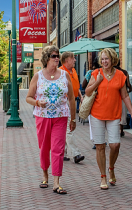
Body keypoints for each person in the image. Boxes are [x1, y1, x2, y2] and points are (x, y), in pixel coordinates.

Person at [85, 48, 132, 190]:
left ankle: (111, 168)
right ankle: (103, 177)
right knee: (100, 146)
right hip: (97, 114)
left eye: (106, 59)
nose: (104, 61)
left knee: (115, 145)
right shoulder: (96, 73)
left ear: (113, 59)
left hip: (114, 115)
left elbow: (125, 96)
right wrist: (97, 82)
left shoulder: (120, 75)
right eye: (102, 59)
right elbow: (87, 91)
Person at [26, 45, 76, 194]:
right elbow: (28, 97)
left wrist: (73, 119)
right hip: (43, 117)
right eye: (54, 56)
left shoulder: (65, 75)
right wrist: (37, 102)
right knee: (44, 148)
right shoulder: (38, 76)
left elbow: (72, 98)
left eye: (57, 55)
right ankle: (45, 175)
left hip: (61, 116)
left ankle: (56, 182)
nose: (57, 58)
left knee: (58, 149)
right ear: (47, 58)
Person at [59, 52, 85, 164]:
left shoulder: (73, 71)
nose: (75, 60)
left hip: (73, 101)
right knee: (69, 128)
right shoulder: (60, 72)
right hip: (64, 102)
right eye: (72, 58)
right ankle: (76, 154)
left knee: (66, 128)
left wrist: (80, 95)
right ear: (66, 60)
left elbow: (75, 86)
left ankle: (62, 153)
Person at [114, 60, 132, 137]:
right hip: (122, 96)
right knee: (122, 113)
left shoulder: (111, 72)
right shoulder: (124, 72)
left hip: (114, 96)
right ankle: (121, 130)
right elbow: (128, 84)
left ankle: (114, 130)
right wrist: (129, 88)